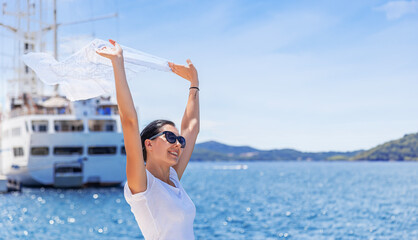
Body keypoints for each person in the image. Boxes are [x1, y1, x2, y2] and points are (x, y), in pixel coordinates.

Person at [96, 39, 200, 240]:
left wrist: (194, 83)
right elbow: (129, 121)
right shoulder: (143, 184)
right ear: (149, 144)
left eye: (179, 140)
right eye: (170, 137)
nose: (178, 143)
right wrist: (118, 64)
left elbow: (191, 128)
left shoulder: (173, 178)